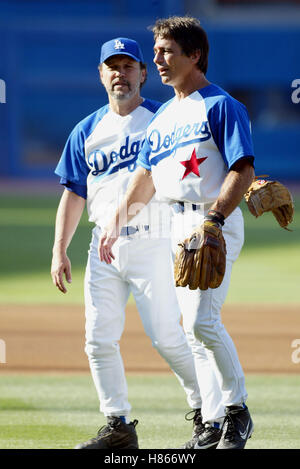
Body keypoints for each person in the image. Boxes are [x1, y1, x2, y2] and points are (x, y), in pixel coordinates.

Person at [99, 17, 255, 450]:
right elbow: (146, 177)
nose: (157, 60)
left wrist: (216, 221)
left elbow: (243, 168)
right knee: (191, 329)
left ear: (194, 55)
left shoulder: (221, 105)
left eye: (166, 51)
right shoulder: (164, 116)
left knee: (203, 321)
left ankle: (238, 412)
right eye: (157, 52)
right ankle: (209, 421)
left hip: (212, 222)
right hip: (176, 224)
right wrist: (115, 225)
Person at [51, 36, 203, 450]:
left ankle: (209, 411)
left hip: (156, 239)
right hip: (103, 245)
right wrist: (59, 248)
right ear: (101, 75)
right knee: (98, 339)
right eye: (112, 67)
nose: (121, 73)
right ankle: (118, 426)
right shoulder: (87, 129)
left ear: (144, 73)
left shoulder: (165, 117)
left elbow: (201, 162)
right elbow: (74, 192)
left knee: (167, 337)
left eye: (129, 66)